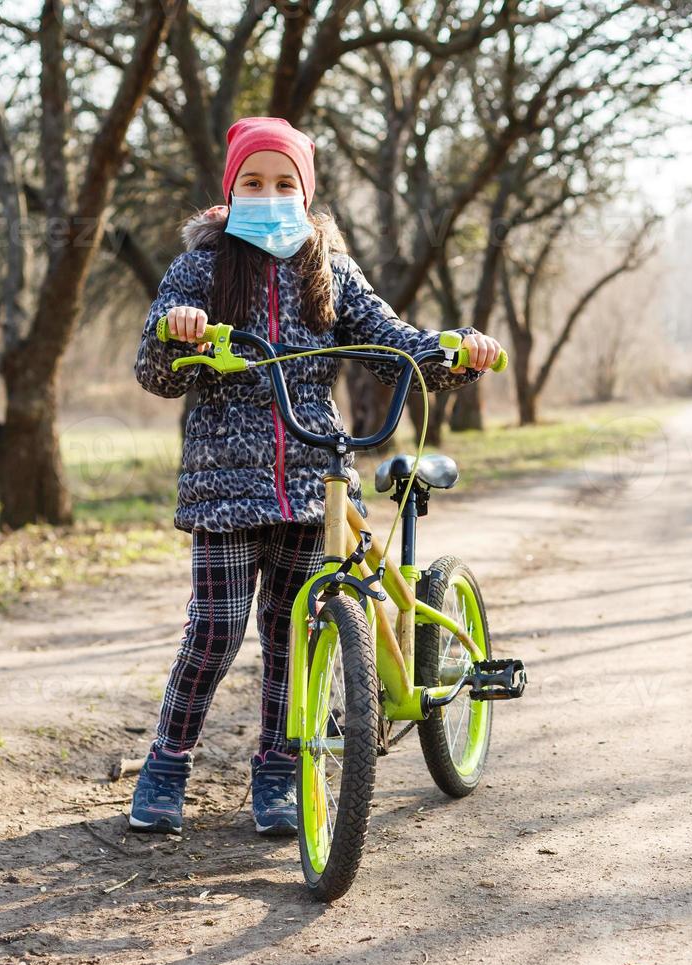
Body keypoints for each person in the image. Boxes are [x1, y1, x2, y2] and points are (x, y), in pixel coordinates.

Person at [130, 117, 504, 836]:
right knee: (213, 630)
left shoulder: (326, 268)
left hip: (314, 477)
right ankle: (167, 764)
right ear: (230, 190)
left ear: (305, 193)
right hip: (222, 486)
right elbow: (156, 373)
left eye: (283, 183)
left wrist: (458, 352)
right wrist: (173, 331)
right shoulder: (200, 271)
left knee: (291, 634)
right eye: (253, 182)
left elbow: (393, 342)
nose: (268, 195)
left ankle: (280, 769)